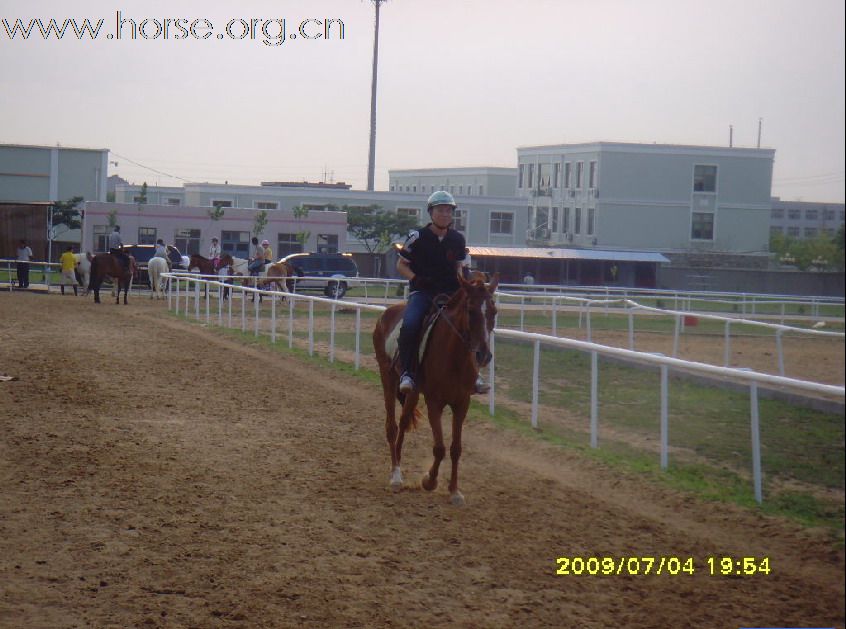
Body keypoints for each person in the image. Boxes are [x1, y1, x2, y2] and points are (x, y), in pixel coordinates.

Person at [396, 190, 488, 395]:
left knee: (470, 325)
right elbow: (401, 265)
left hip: (451, 293)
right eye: (440, 210)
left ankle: (474, 374)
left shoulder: (457, 239)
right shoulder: (416, 237)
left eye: (448, 210)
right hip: (423, 292)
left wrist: (469, 283)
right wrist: (415, 279)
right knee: (410, 325)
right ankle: (408, 373)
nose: (445, 214)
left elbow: (460, 268)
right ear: (431, 212)